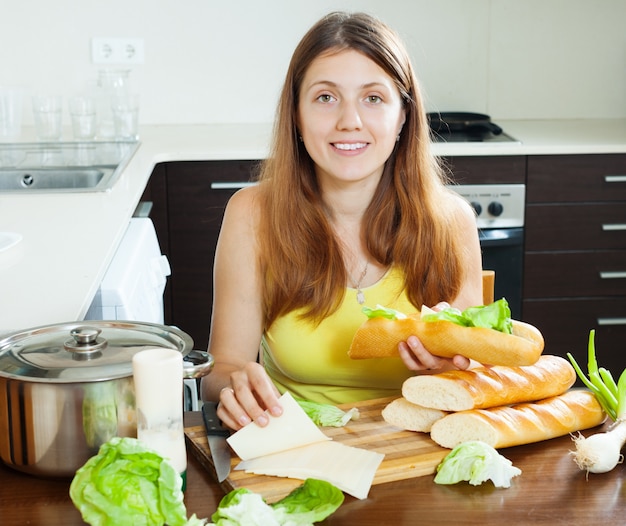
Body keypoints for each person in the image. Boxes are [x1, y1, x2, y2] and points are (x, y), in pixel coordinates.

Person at [201, 11, 483, 430]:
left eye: (373, 98)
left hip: (417, 450)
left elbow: (474, 376)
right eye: (325, 97)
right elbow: (222, 368)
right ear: (296, 114)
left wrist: (449, 372)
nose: (349, 120)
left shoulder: (452, 221)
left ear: (403, 116)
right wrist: (234, 387)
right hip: (293, 447)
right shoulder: (252, 215)